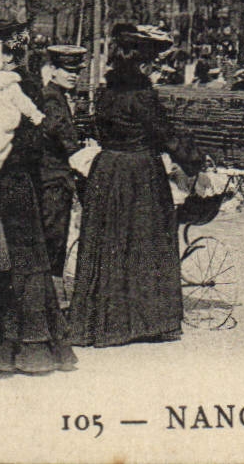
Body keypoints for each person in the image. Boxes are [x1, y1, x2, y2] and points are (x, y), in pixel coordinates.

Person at [70, 23, 202, 347]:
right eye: (153, 62)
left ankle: (101, 319)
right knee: (145, 240)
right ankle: (142, 321)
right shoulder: (143, 97)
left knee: (109, 242)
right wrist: (195, 161)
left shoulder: (105, 93)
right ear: (143, 63)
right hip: (139, 172)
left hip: (107, 170)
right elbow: (166, 135)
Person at [0, 24, 77, 375]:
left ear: (7, 55)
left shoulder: (21, 86)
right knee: (12, 261)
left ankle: (17, 346)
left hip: (11, 184)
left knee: (15, 261)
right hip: (11, 182)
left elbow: (34, 138)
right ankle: (10, 346)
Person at [35, 45, 87, 277]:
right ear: (53, 69)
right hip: (52, 182)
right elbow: (66, 139)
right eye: (68, 69)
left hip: (54, 180)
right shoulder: (51, 100)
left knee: (54, 242)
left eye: (77, 69)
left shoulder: (58, 97)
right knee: (52, 243)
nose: (74, 74)